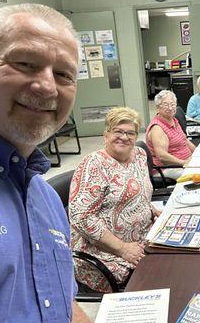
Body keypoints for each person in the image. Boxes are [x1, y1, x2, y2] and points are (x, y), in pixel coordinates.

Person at [0, 4, 90, 322]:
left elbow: (59, 302)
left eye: (63, 74)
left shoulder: (44, 197)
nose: (47, 87)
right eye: (25, 64)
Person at [69, 107, 161, 293]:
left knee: (178, 257)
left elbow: (138, 194)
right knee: (159, 277)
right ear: (106, 134)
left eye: (130, 133)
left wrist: (153, 211)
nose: (124, 137)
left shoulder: (139, 155)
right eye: (118, 131)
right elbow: (81, 217)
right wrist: (122, 249)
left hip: (142, 237)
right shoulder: (94, 165)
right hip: (105, 253)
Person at [146, 90, 196, 179]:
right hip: (167, 168)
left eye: (172, 104)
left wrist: (197, 153)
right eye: (165, 105)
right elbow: (162, 156)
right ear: (158, 108)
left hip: (185, 162)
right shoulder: (157, 128)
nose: (170, 108)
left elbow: (185, 140)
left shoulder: (173, 120)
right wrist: (184, 162)